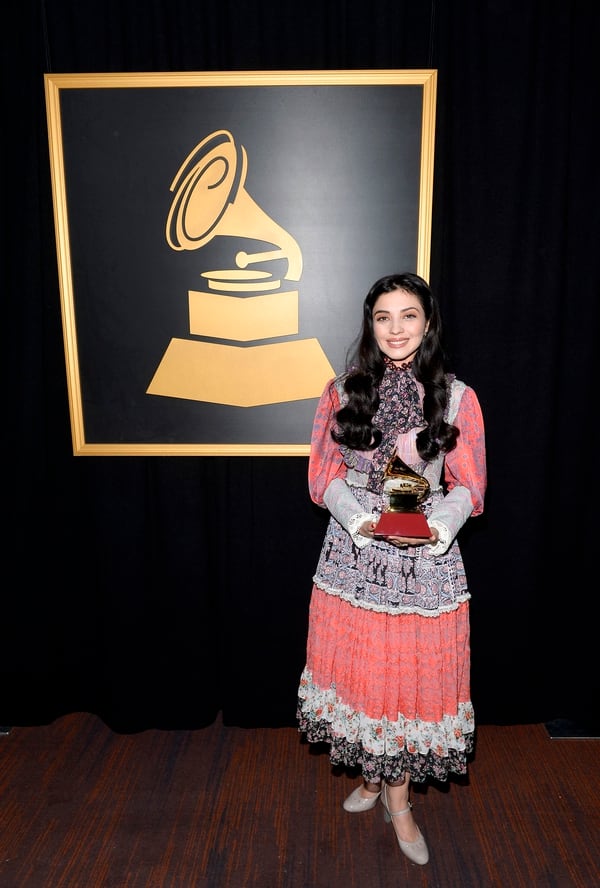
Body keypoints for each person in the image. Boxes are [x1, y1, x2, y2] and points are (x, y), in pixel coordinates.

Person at [297, 272, 486, 866]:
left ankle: (398, 801)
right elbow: (322, 474)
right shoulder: (341, 391)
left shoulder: (457, 398)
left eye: (408, 316)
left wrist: (440, 526)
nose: (396, 328)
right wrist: (356, 519)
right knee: (367, 675)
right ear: (370, 324)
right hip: (354, 557)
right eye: (383, 317)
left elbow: (471, 485)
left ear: (427, 324)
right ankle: (377, 780)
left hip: (423, 563)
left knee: (405, 682)